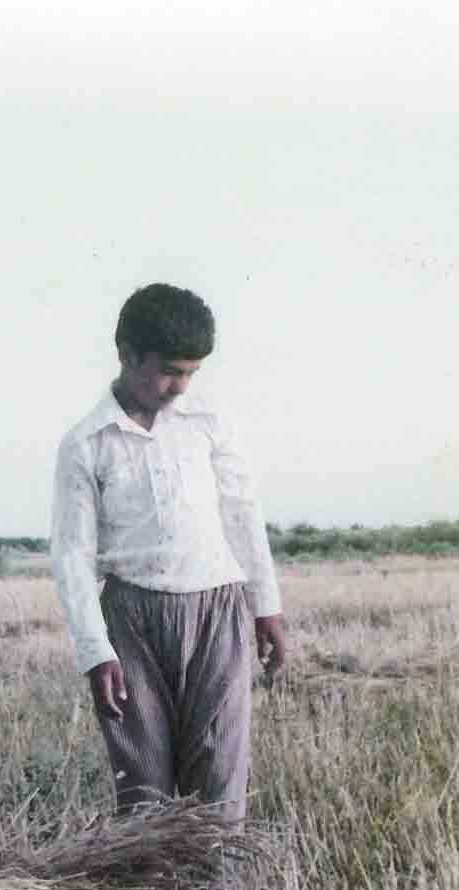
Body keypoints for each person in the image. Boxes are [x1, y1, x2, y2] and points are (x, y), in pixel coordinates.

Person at [50, 284, 286, 827]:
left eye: (191, 374)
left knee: (220, 776)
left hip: (217, 610)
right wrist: (95, 650)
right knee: (143, 787)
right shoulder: (87, 442)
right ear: (128, 354)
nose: (180, 386)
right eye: (169, 371)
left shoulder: (210, 423)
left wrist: (265, 606)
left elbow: (242, 515)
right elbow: (72, 554)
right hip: (131, 622)